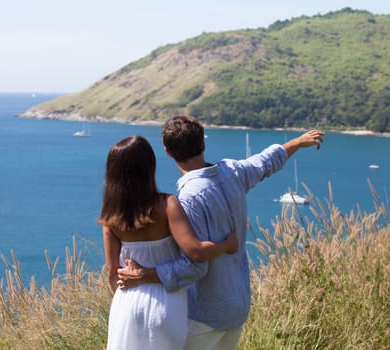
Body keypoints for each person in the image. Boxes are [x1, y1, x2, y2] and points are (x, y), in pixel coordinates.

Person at [117, 116, 325, 349]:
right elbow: (266, 161)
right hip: (237, 305)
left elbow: (195, 265)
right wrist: (297, 142)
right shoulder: (233, 172)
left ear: (167, 152)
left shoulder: (188, 199)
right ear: (203, 144)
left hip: (205, 315)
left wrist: (146, 275)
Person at [98, 135, 238, 350]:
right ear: (149, 167)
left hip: (125, 303)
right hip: (166, 303)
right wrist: (226, 245)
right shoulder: (167, 205)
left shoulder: (110, 217)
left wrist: (124, 300)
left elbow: (112, 273)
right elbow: (195, 251)